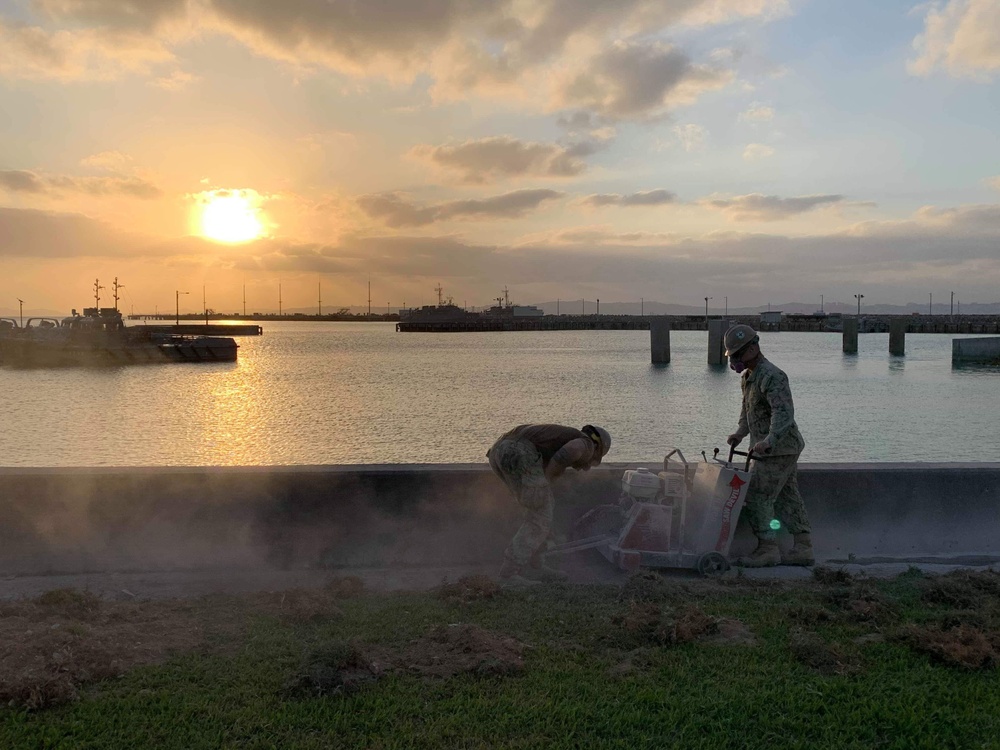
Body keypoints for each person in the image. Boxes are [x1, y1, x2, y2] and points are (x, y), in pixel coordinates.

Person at [724, 325, 814, 567]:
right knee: (787, 495)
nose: (735, 361)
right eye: (732, 356)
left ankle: (768, 548)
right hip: (767, 448)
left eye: (738, 355)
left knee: (757, 495)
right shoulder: (749, 378)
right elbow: (748, 410)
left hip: (779, 448)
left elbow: (783, 413)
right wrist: (740, 433)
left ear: (753, 349)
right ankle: (803, 546)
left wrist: (769, 441)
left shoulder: (773, 376)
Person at [488, 423, 611, 583]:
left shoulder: (560, 438)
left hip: (498, 451)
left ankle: (535, 566)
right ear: (597, 446)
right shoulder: (586, 443)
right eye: (593, 461)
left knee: (534, 510)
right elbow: (570, 451)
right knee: (541, 514)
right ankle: (508, 575)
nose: (587, 467)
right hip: (519, 451)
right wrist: (548, 478)